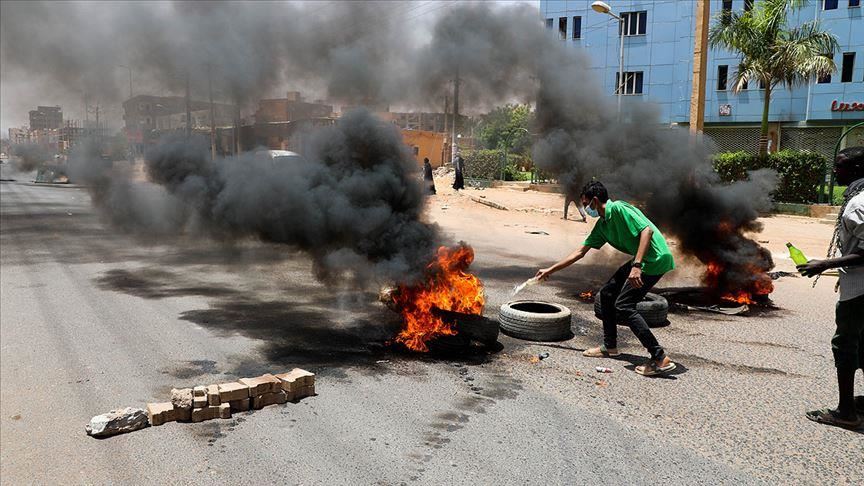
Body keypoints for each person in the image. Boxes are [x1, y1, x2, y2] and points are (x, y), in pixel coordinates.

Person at [535, 181, 676, 376]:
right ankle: (610, 347)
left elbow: (647, 231)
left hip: (654, 259)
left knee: (624, 305)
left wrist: (636, 266)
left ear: (594, 200)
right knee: (607, 294)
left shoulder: (618, 208)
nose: (585, 208)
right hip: (642, 260)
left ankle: (660, 357)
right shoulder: (602, 226)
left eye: (585, 204)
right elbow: (579, 252)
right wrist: (550, 269)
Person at [799, 146, 864, 430]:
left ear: (857, 170)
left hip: (859, 290)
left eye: (841, 166)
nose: (835, 171)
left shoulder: (858, 204)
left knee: (845, 345)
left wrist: (824, 264)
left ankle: (846, 412)